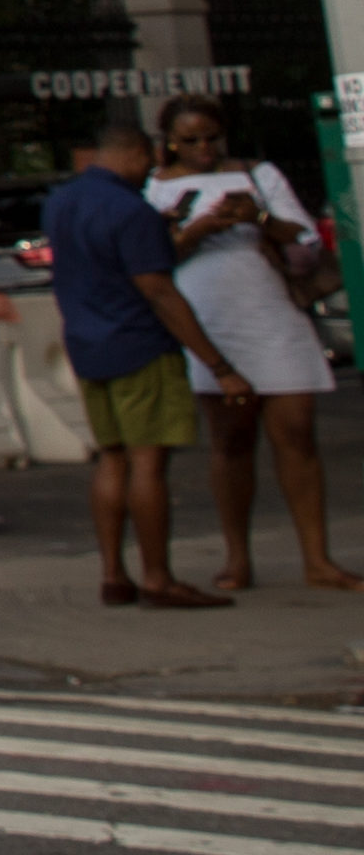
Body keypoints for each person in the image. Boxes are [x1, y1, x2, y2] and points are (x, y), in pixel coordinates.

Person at [144, 94, 355, 594]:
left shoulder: (258, 175)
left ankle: (318, 559)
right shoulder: (152, 188)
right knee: (232, 440)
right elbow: (150, 261)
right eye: (189, 140)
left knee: (298, 433)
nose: (202, 149)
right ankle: (238, 558)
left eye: (211, 138)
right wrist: (196, 231)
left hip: (271, 313)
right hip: (209, 319)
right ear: (170, 142)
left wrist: (255, 218)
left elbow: (303, 237)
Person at [46, 113, 240, 610]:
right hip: (139, 343)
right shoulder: (133, 212)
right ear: (134, 154)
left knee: (111, 458)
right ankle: (158, 577)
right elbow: (157, 289)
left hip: (87, 344)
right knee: (148, 462)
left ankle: (114, 574)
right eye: (148, 164)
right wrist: (218, 364)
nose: (149, 174)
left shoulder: (61, 202)